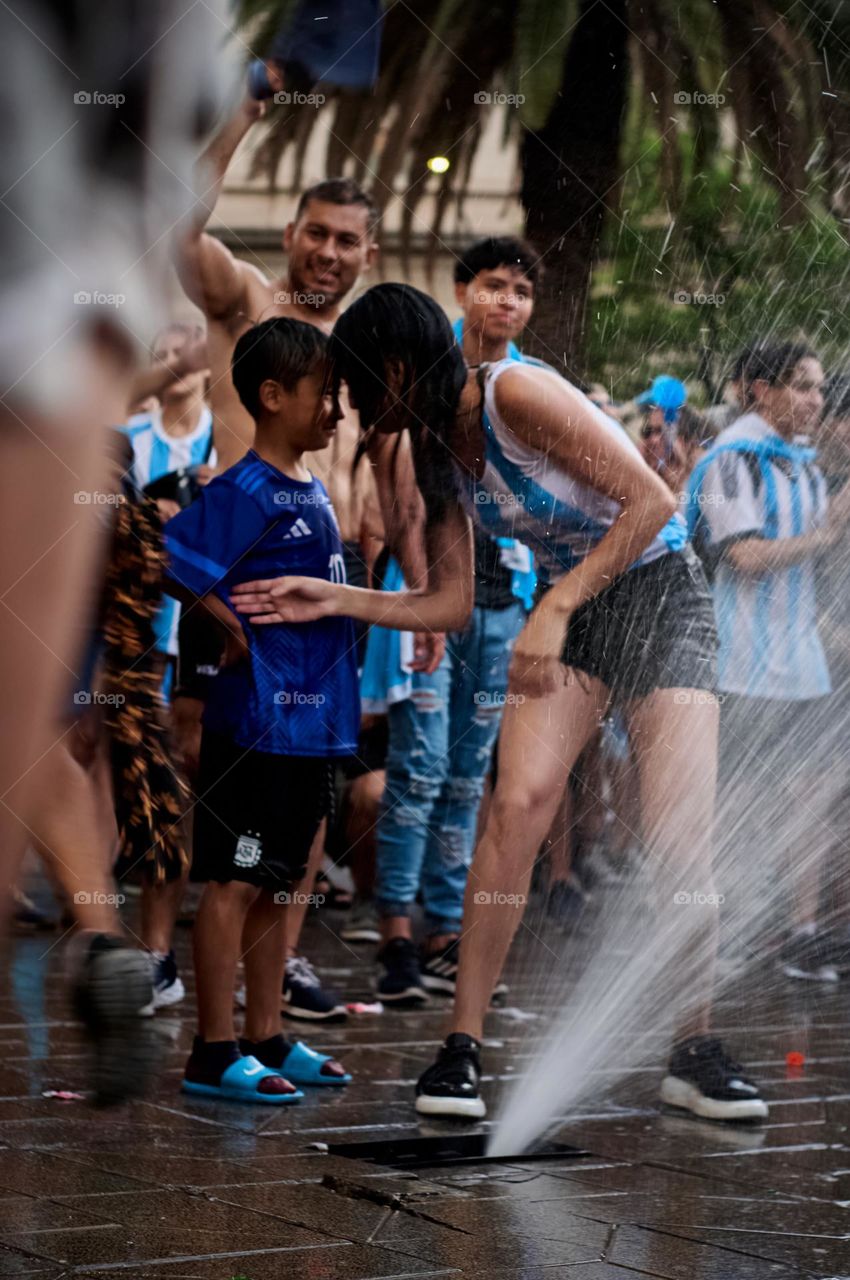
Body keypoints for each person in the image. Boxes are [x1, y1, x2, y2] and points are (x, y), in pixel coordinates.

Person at [232, 283, 768, 1124]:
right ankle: (461, 1049)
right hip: (572, 609)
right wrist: (332, 599)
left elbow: (654, 502)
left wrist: (552, 610)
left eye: (364, 388)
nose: (358, 410)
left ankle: (694, 1049)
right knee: (515, 809)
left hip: (661, 598)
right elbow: (445, 604)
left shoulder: (515, 393)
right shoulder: (429, 450)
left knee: (675, 839)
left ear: (400, 367)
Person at [176, 106, 415, 1019]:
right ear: (289, 234)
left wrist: (408, 575)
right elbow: (178, 233)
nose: (328, 251)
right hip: (237, 595)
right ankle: (181, 973)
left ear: (368, 254)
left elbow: (386, 470)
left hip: (331, 609)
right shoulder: (246, 304)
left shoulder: (355, 359)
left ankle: (273, 999)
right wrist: (243, 112)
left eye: (347, 239)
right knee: (208, 770)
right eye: (315, 232)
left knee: (303, 820)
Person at [163, 317, 355, 1102]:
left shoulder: (310, 487)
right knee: (234, 881)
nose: (338, 411)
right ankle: (213, 1052)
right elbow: (174, 557)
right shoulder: (244, 490)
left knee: (281, 884)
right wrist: (229, 626)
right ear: (273, 397)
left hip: (310, 730)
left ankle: (266, 1034)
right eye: (326, 395)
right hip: (253, 727)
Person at [370, 237, 535, 1004]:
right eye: (492, 286)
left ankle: (444, 932)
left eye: (521, 291)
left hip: (503, 610)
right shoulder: (430, 378)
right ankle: (397, 934)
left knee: (470, 778)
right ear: (462, 289)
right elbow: (400, 498)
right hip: (431, 603)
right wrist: (420, 593)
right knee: (419, 769)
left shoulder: (529, 386)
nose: (506, 301)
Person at [688, 342, 850, 983]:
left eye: (817, 388)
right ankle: (710, 934)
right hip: (737, 665)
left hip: (799, 669)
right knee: (729, 806)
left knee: (800, 799)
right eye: (801, 386)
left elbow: (807, 577)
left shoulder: (804, 466)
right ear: (758, 390)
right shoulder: (731, 462)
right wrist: (828, 533)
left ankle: (795, 931)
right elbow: (745, 557)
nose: (815, 399)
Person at [121, 323, 216, 1009]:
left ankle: (183, 938)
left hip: (211, 628)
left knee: (193, 768)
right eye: (165, 340)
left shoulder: (234, 429)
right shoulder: (127, 434)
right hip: (141, 627)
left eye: (193, 338)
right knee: (146, 778)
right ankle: (148, 949)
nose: (177, 354)